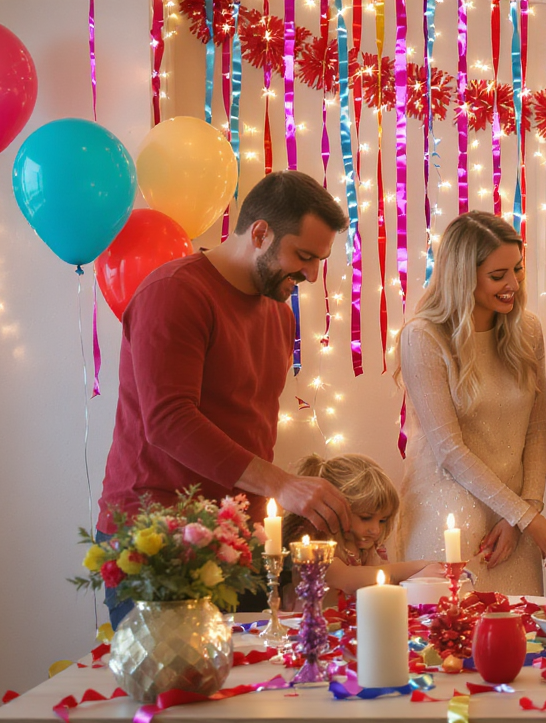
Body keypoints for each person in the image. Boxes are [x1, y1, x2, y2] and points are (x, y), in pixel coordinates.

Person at [97, 171, 355, 627]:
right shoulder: (175, 291)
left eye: (320, 261)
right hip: (160, 538)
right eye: (304, 256)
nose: (312, 275)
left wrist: (273, 518)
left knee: (255, 694)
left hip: (241, 540)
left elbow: (251, 428)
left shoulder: (279, 314)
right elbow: (170, 421)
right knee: (176, 692)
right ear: (259, 233)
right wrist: (282, 485)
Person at [395, 211, 546, 596]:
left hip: (513, 521)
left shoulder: (527, 331)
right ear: (462, 277)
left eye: (518, 269)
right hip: (451, 516)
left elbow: (538, 429)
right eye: (498, 275)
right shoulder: (423, 338)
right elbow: (449, 450)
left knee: (521, 642)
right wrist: (529, 518)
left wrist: (523, 512)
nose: (513, 284)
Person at [280, 454, 437, 602]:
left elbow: (380, 583)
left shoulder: (367, 550)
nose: (375, 529)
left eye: (382, 520)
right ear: (333, 509)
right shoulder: (313, 548)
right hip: (304, 626)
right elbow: (349, 580)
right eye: (365, 518)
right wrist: (418, 565)